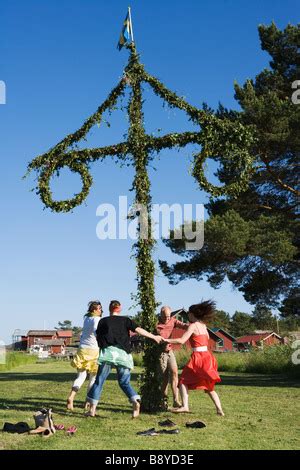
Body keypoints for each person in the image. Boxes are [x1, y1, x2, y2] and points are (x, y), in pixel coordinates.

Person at [85, 300, 163, 418]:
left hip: (108, 354)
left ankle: (92, 411)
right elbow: (139, 330)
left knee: (99, 381)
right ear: (119, 309)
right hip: (123, 355)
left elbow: (98, 337)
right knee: (124, 382)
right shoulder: (126, 320)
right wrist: (154, 337)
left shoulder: (103, 321)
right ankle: (135, 400)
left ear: (110, 309)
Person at [163, 300, 224, 416]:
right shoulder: (204, 326)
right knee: (209, 386)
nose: (188, 316)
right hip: (208, 357)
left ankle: (185, 406)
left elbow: (181, 340)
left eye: (189, 314)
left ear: (192, 314)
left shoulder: (193, 326)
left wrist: (166, 340)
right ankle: (219, 410)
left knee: (183, 381)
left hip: (198, 358)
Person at [67, 300, 102, 411]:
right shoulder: (97, 319)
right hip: (93, 350)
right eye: (99, 308)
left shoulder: (86, 318)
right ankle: (88, 401)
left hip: (82, 350)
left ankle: (71, 397)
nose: (101, 310)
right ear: (94, 310)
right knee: (93, 378)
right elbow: (97, 332)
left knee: (81, 377)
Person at [156, 306, 189, 408]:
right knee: (164, 378)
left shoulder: (172, 320)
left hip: (170, 351)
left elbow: (183, 325)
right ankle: (163, 402)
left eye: (169, 316)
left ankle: (176, 400)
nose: (167, 318)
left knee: (175, 373)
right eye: (165, 316)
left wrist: (194, 326)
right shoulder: (156, 323)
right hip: (160, 352)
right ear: (160, 314)